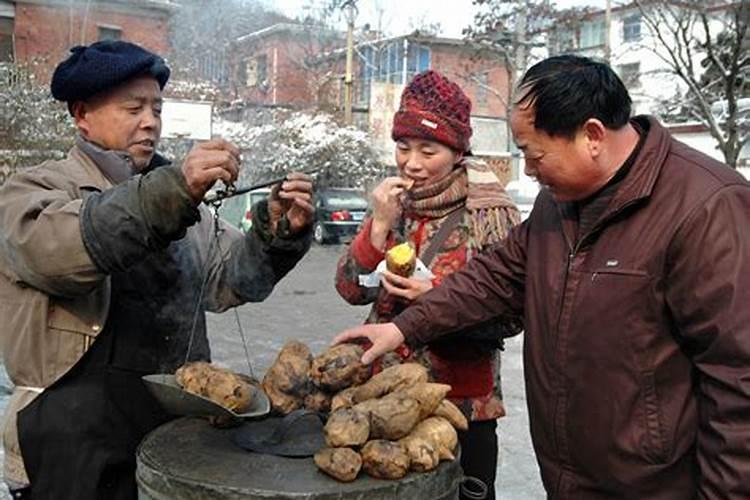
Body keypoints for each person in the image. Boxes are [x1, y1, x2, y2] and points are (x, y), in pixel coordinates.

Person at [334, 55, 750, 499]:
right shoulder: (561, 200)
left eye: (534, 154)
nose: (528, 171)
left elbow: (738, 383)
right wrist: (403, 327)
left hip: (657, 486)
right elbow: (493, 279)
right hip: (572, 477)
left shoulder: (707, 207)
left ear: (591, 135)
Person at [0, 41, 314, 499]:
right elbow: (56, 254)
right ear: (82, 113)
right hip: (70, 437)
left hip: (174, 423)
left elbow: (233, 279)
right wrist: (170, 194)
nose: (150, 121)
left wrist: (278, 232)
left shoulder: (178, 199)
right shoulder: (34, 189)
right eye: (134, 107)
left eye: (157, 108)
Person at [334, 70, 521, 500]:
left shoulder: (490, 214)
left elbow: (512, 317)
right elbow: (351, 289)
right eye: (403, 147)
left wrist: (439, 297)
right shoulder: (392, 204)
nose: (411, 163)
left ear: (458, 152)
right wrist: (378, 226)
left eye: (428, 150)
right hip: (384, 402)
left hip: (460, 406)